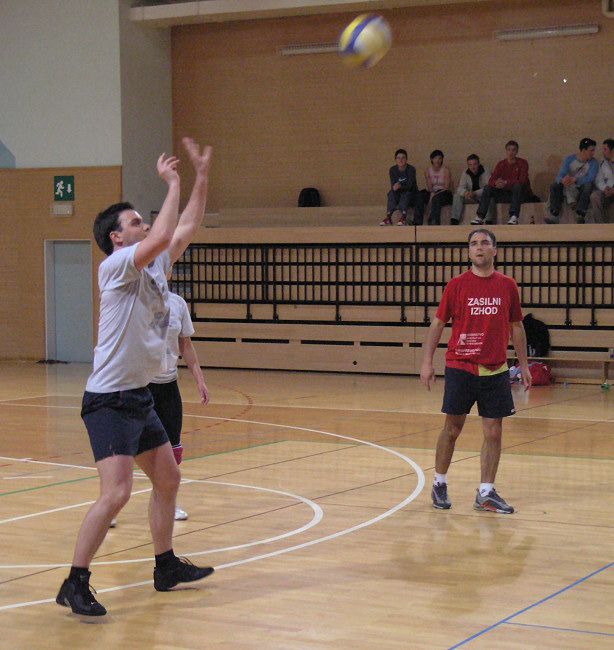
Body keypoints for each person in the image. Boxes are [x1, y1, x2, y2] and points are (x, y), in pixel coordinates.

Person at [56, 138, 214, 618]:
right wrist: (173, 182)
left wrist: (202, 176)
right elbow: (163, 236)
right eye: (135, 222)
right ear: (117, 238)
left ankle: (165, 565)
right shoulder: (115, 267)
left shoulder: (153, 265)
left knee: (168, 478)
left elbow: (185, 227)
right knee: (117, 493)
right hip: (108, 400)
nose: (143, 224)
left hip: (138, 397)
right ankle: (74, 582)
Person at [420, 228, 531, 514]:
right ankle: (439, 483)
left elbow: (516, 326)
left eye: (484, 243)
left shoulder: (507, 285)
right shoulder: (457, 285)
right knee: (452, 428)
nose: (479, 247)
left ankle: (486, 493)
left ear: (495, 250)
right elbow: (438, 323)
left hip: (495, 370)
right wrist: (427, 361)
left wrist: (524, 365)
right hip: (462, 367)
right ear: (469, 251)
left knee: (494, 432)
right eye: (473, 243)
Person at [148, 286, 210, 521]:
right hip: (142, 385)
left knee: (173, 449)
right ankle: (112, 502)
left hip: (169, 386)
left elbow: (186, 345)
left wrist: (200, 380)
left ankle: (168, 502)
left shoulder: (178, 304)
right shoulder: (138, 300)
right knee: (129, 447)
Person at [471, 140, 532, 226]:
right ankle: (480, 216)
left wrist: (506, 183)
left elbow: (522, 180)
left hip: (520, 194)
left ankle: (514, 216)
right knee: (488, 188)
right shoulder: (501, 164)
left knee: (517, 186)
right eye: (509, 150)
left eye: (513, 150)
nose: (511, 152)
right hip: (505, 193)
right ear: (506, 151)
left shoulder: (523, 163)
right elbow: (491, 180)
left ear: (517, 151)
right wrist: (496, 184)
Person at [545, 137, 598, 224]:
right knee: (555, 185)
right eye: (591, 150)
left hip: (581, 186)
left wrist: (576, 180)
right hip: (569, 185)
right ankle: (554, 215)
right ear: (583, 150)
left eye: (594, 150)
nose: (593, 153)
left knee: (588, 185)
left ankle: (580, 214)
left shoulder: (594, 163)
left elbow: (591, 178)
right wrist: (562, 180)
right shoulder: (570, 159)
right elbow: (560, 175)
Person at [380, 148, 425, 226]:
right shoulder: (392, 170)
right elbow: (393, 186)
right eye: (398, 158)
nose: (401, 160)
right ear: (395, 160)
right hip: (399, 193)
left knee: (406, 194)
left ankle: (403, 217)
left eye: (403, 158)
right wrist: (396, 187)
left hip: (411, 194)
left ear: (406, 159)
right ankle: (388, 217)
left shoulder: (411, 169)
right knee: (391, 193)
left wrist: (400, 185)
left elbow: (410, 186)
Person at [451, 154, 495, 225]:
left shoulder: (485, 171)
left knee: (490, 197)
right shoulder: (465, 173)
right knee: (457, 196)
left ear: (478, 164)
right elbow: (460, 188)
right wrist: (465, 193)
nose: (473, 167)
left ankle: (488, 220)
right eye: (470, 165)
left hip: (482, 196)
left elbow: (489, 187)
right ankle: (454, 220)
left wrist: (475, 193)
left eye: (475, 164)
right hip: (470, 196)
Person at [418, 149, 453, 225]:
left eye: (440, 158)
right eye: (435, 158)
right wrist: (432, 193)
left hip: (444, 193)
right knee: (420, 196)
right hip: (433, 192)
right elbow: (430, 187)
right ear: (431, 159)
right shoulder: (428, 171)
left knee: (436, 198)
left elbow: (446, 187)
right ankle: (417, 222)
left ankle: (434, 222)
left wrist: (435, 194)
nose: (437, 160)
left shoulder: (446, 170)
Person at [589, 138, 614, 223]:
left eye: (605, 149)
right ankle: (600, 225)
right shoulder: (601, 163)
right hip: (607, 191)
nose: (603, 152)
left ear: (612, 150)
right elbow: (598, 179)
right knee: (595, 196)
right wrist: (605, 188)